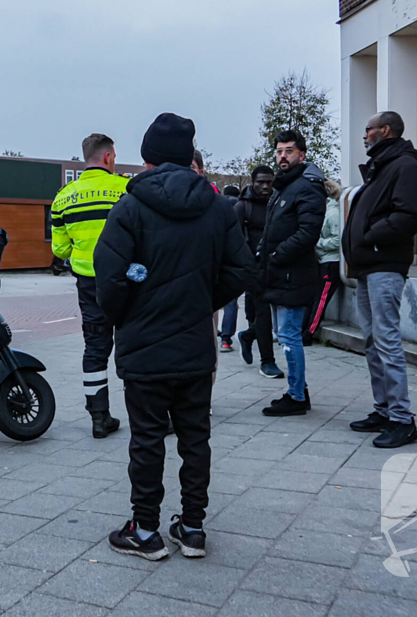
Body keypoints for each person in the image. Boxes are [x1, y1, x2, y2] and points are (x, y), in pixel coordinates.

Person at [95, 113, 256, 561]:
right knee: (195, 437)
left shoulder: (129, 208)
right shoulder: (217, 207)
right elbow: (242, 270)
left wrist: (128, 313)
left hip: (144, 345)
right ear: (189, 156)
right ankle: (192, 526)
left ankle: (145, 530)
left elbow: (108, 279)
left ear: (146, 157)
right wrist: (202, 301)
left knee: (146, 437)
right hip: (194, 345)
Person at [343, 111, 417, 448]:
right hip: (367, 266)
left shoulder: (404, 165)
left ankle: (403, 421)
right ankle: (384, 410)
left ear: (385, 130)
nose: (364, 136)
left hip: (384, 265)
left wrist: (370, 236)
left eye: (368, 129)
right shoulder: (381, 167)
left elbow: (410, 215)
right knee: (372, 340)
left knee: (386, 341)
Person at [51, 133, 129, 439]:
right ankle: (151, 413)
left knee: (95, 348)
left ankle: (99, 417)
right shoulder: (125, 189)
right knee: (133, 344)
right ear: (109, 156)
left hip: (89, 285)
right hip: (126, 281)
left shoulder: (64, 196)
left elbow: (60, 250)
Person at [258, 131, 326, 418]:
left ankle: (297, 396)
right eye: (279, 151)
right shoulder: (283, 188)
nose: (282, 156)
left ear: (302, 154)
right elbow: (272, 229)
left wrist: (276, 254)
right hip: (279, 274)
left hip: (293, 275)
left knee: (289, 336)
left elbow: (308, 233)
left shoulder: (307, 187)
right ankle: (298, 389)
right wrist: (263, 252)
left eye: (288, 151)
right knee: (284, 335)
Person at [235, 166, 284, 378]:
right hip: (252, 268)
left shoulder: (278, 203)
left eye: (269, 182)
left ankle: (247, 335)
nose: (265, 186)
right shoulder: (242, 207)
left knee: (276, 311)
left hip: (276, 264)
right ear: (252, 183)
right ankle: (268, 362)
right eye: (261, 182)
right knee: (264, 310)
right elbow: (234, 240)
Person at [303, 179, 343, 345]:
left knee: (320, 299)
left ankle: (309, 333)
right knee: (315, 298)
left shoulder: (333, 213)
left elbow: (336, 240)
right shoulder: (328, 211)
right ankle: (305, 330)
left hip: (331, 261)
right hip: (325, 260)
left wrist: (317, 243)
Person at [219, 185, 242, 352]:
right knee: (231, 302)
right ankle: (226, 339)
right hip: (232, 258)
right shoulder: (241, 208)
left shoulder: (216, 206)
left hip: (214, 257)